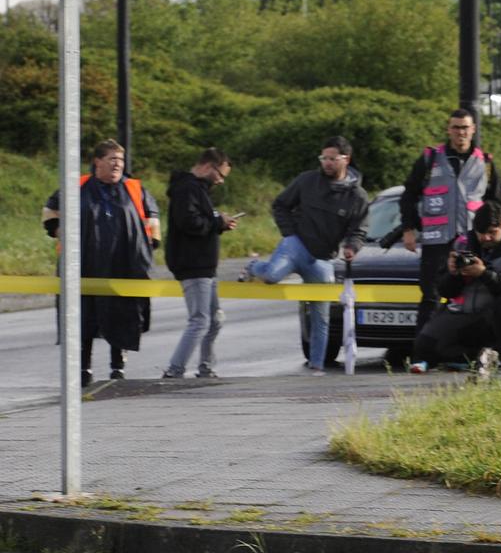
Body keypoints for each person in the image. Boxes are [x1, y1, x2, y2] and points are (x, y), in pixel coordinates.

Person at [248, 136, 370, 375]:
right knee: (272, 275)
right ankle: (253, 267)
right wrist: (290, 233)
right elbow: (280, 205)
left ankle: (317, 366)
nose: (327, 163)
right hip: (296, 246)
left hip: (323, 258)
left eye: (332, 159)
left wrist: (351, 247)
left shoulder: (358, 196)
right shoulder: (307, 181)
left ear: (346, 159)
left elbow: (359, 230)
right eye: (323, 158)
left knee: (321, 316)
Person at [43, 139, 158, 384]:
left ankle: (118, 366)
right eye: (112, 159)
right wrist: (63, 233)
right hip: (84, 265)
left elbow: (152, 220)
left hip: (124, 266)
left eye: (120, 160)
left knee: (122, 313)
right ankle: (83, 368)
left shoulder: (135, 189)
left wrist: (149, 247)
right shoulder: (77, 186)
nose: (118, 165)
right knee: (82, 315)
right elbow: (51, 213)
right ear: (97, 162)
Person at [400, 110, 501, 333]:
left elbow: (498, 203)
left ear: (473, 129)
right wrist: (408, 228)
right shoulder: (430, 159)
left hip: (471, 241)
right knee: (431, 297)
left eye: (465, 127)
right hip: (436, 241)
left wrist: (493, 234)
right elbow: (409, 195)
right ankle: (423, 354)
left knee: (471, 297)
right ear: (449, 130)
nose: (461, 132)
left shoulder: (484, 163)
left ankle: (463, 352)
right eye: (456, 127)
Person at [409, 201, 501, 376]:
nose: (486, 238)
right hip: (465, 313)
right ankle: (475, 358)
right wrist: (454, 274)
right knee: (424, 345)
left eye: (492, 233)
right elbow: (445, 291)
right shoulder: (463, 243)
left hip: (499, 315)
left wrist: (484, 273)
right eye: (481, 233)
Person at [162, 147, 237, 379]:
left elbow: (199, 221)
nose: (221, 181)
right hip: (193, 264)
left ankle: (206, 367)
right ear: (207, 166)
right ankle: (175, 370)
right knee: (200, 320)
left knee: (214, 320)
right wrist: (217, 222)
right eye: (220, 175)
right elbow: (190, 223)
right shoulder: (187, 189)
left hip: (203, 265)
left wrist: (218, 222)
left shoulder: (195, 189)